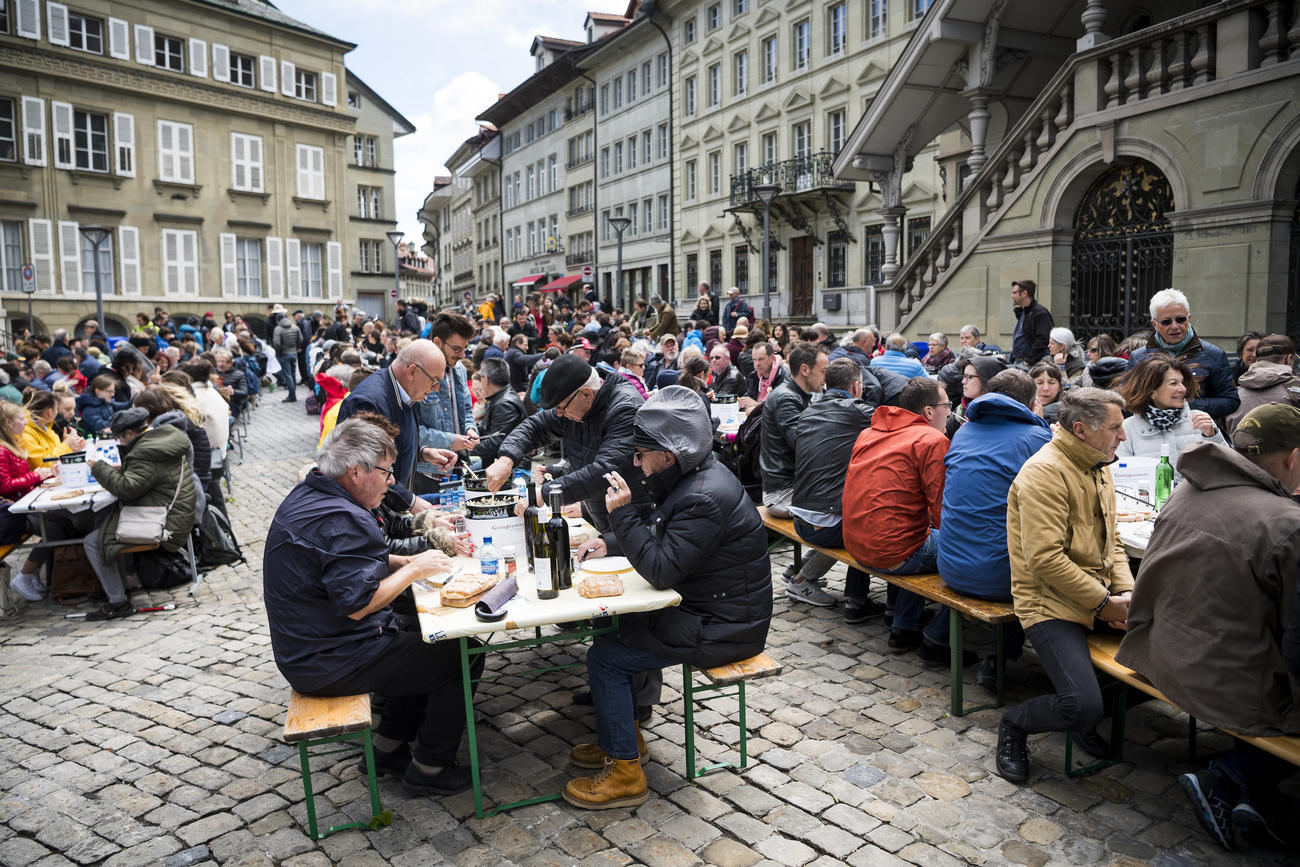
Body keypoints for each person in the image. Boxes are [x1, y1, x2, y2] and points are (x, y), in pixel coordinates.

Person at [565, 387, 771, 809]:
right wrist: (610, 540)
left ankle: (625, 773)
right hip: (709, 609)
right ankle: (624, 740)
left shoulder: (701, 495)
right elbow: (665, 535)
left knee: (606, 656)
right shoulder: (693, 477)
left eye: (641, 454)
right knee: (615, 627)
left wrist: (621, 515)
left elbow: (660, 570)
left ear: (669, 454)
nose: (636, 462)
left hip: (727, 627)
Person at [1114, 404, 1300, 849]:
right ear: (1293, 458)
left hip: (1161, 651)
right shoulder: (1285, 523)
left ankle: (1254, 795)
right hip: (1220, 682)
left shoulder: (1188, 488)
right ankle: (1232, 776)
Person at [264, 418, 482, 795]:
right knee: (463, 653)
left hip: (312, 647)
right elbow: (359, 605)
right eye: (386, 472)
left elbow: (353, 563)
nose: (392, 481)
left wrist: (408, 563)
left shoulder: (313, 493)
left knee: (422, 636)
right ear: (355, 472)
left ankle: (386, 749)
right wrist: (415, 567)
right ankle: (431, 768)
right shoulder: (344, 517)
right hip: (326, 659)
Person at [996, 388, 1134, 785]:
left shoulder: (1098, 462)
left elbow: (1114, 541)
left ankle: (1087, 714)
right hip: (1048, 604)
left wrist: (1128, 595)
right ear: (1081, 430)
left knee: (1168, 669)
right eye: (1115, 428)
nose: (1122, 436)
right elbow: (1045, 561)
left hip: (1097, 594)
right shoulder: (1045, 472)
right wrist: (1106, 604)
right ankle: (1015, 726)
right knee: (1081, 706)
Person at [937, 369, 1050, 686]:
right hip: (1000, 578)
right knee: (1035, 562)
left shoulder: (964, 432)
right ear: (1031, 403)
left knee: (987, 540)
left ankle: (935, 636)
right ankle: (997, 660)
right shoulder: (1037, 439)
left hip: (950, 565)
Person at [843, 378, 953, 656]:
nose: (950, 413)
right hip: (891, 551)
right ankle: (930, 634)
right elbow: (942, 508)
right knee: (965, 551)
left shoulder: (869, 432)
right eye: (947, 406)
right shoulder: (931, 439)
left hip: (855, 543)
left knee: (916, 535)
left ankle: (902, 622)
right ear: (929, 412)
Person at [485, 354, 644, 533]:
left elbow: (605, 471)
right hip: (603, 517)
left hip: (636, 522)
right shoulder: (573, 402)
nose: (558, 414)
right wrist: (507, 458)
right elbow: (535, 426)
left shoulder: (626, 409)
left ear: (586, 393)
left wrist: (545, 494)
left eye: (561, 407)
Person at [787, 359, 883, 619]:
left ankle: (805, 569)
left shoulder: (810, 409)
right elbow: (894, 433)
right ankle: (855, 600)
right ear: (855, 386)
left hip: (799, 515)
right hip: (824, 523)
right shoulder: (859, 411)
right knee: (874, 526)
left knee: (855, 513)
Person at [83, 407, 197, 619]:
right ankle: (118, 586)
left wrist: (98, 467)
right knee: (105, 524)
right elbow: (145, 477)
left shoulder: (144, 452)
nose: (119, 441)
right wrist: (123, 468)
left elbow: (126, 488)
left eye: (119, 437)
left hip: (166, 522)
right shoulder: (161, 439)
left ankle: (117, 602)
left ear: (129, 433)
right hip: (174, 510)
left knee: (94, 541)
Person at [337, 340, 457, 512]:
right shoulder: (367, 402)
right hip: (369, 513)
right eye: (434, 380)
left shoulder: (407, 390)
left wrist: (422, 453)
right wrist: (410, 501)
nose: (436, 388)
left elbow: (394, 444)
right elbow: (368, 472)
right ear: (412, 371)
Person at [1126, 288, 1240, 421]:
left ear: (1189, 318)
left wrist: (1186, 405)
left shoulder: (1214, 355)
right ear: (1154, 324)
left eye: (1180, 319)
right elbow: (1127, 399)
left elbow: (1231, 401)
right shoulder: (1138, 357)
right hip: (1150, 434)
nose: (1174, 326)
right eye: (1166, 322)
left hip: (1197, 434)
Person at [1114, 355, 1227, 474]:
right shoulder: (1127, 428)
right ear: (1151, 391)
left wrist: (1212, 436)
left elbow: (1227, 467)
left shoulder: (1200, 420)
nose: (1183, 389)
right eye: (1174, 383)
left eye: (1183, 382)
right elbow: (1120, 476)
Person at [759, 342, 827, 518]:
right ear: (805, 370)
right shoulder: (787, 399)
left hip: (792, 487)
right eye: (823, 371)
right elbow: (804, 445)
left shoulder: (796, 395)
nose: (825, 378)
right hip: (783, 494)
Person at [415, 314, 479, 492]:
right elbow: (410, 431)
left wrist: (470, 429)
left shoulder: (459, 368)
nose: (463, 355)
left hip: (459, 466)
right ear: (437, 342)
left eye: (465, 348)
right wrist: (451, 440)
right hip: (427, 472)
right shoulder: (417, 373)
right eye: (457, 348)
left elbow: (466, 409)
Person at [1225, 334, 1300, 435]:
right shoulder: (1295, 389)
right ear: (1289, 358)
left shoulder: (1232, 394)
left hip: (1237, 449)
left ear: (1257, 358)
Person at [469, 358, 526, 464]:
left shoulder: (504, 404)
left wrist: (464, 450)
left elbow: (497, 441)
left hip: (511, 465)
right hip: (501, 461)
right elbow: (487, 430)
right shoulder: (499, 397)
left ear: (486, 379)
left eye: (480, 378)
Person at [21, 389, 84, 469]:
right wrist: (66, 444)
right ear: (50, 412)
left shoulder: (49, 430)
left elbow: (58, 457)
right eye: (56, 409)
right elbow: (44, 464)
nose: (73, 413)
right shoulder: (26, 432)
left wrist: (73, 447)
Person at [1010, 279, 1053, 365]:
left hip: (1032, 364)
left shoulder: (1040, 313)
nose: (1012, 296)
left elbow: (1042, 340)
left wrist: (1028, 361)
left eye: (1014, 293)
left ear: (1024, 293)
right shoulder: (1024, 313)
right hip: (1020, 362)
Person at [740, 342, 785, 412]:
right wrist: (743, 402)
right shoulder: (753, 376)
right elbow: (750, 397)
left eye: (761, 359)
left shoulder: (783, 375)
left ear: (772, 358)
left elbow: (780, 407)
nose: (757, 364)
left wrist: (757, 405)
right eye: (754, 360)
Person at [271, 312, 301, 403]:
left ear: (278, 320)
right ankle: (293, 394)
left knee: (288, 376)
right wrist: (296, 348)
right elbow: (300, 340)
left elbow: (276, 343)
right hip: (293, 353)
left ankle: (292, 396)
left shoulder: (278, 329)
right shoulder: (295, 327)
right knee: (293, 374)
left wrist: (279, 353)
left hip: (284, 354)